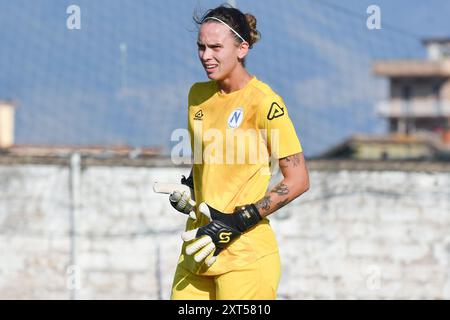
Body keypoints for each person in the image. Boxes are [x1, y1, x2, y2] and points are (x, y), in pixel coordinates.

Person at [169, 4, 310, 300]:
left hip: (245, 256)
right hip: (198, 250)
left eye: (216, 47)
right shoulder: (197, 95)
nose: (206, 56)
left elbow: (297, 180)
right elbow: (207, 167)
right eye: (201, 47)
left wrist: (236, 222)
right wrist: (189, 192)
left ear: (242, 48)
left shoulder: (264, 102)